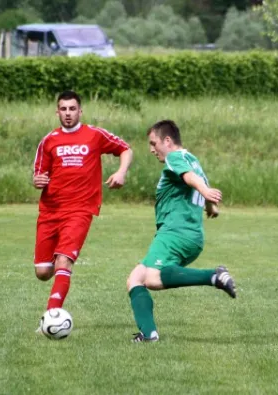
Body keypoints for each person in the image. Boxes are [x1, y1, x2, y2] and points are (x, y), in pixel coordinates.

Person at [126, 119, 236, 343]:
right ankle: (149, 333)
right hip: (190, 235)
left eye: (153, 143)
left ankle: (214, 276)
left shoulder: (174, 157)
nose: (151, 149)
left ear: (167, 141)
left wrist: (205, 192)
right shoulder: (193, 160)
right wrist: (210, 206)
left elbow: (192, 179)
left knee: (152, 279)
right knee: (135, 278)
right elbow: (196, 179)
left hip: (175, 233)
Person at [32, 90, 133, 324]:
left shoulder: (94, 135)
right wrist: (37, 180)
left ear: (80, 111)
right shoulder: (49, 141)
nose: (68, 113)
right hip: (50, 211)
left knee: (63, 261)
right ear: (57, 111)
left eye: (72, 109)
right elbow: (39, 175)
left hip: (80, 210)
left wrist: (121, 172)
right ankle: (55, 290)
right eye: (64, 109)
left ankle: (50, 317)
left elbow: (125, 149)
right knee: (43, 272)